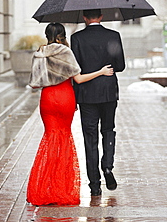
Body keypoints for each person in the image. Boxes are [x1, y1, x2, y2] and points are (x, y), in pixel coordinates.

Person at [26, 22, 114, 206]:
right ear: (63, 35)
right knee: (64, 140)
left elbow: (34, 83)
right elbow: (79, 79)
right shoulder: (66, 52)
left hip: (48, 99)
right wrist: (101, 72)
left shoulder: (39, 53)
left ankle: (43, 189)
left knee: (49, 139)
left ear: (47, 34)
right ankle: (62, 189)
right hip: (66, 97)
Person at [71, 9, 125, 197]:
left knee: (90, 138)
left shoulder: (77, 38)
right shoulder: (113, 35)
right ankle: (108, 167)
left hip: (87, 94)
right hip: (109, 92)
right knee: (108, 130)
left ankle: (94, 184)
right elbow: (120, 66)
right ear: (101, 17)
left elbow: (75, 69)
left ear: (85, 18)